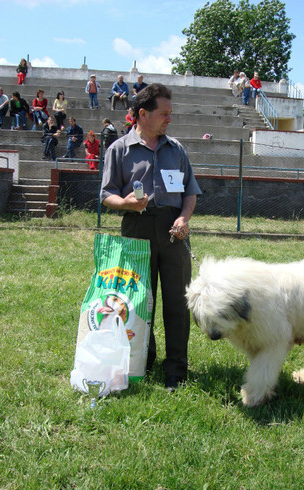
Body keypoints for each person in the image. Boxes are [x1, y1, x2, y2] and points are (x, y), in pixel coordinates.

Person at [100, 83, 202, 392]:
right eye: (164, 114)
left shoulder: (177, 149)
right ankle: (143, 359)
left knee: (176, 301)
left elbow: (190, 192)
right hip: (137, 228)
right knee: (138, 300)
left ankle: (176, 371)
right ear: (142, 114)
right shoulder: (119, 149)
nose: (169, 119)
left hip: (173, 232)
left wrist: (184, 218)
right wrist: (126, 204)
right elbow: (106, 194)